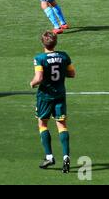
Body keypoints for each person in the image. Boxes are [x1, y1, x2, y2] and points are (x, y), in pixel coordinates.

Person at [30, 31, 76, 173]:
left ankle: (49, 156)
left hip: (45, 96)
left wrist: (32, 83)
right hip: (60, 95)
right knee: (62, 125)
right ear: (55, 43)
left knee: (43, 123)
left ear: (43, 43)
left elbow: (38, 78)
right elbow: (72, 74)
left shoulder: (40, 58)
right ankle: (66, 157)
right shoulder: (64, 56)